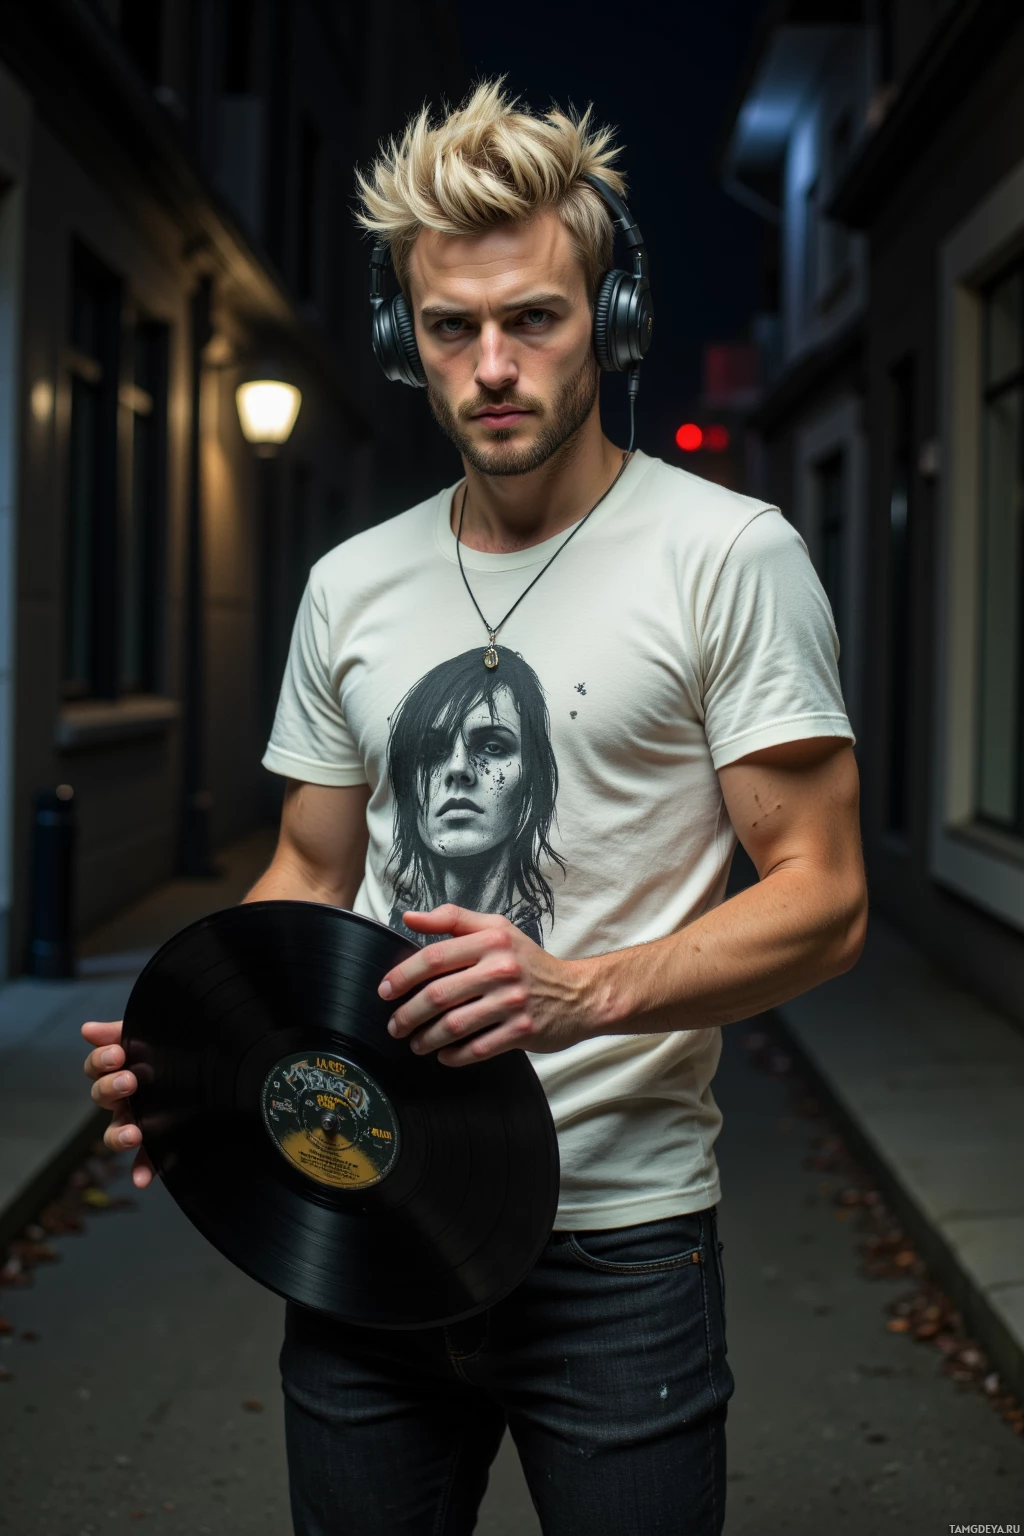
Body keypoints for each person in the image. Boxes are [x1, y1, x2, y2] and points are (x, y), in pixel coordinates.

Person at [84, 81, 867, 1536]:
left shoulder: (728, 557)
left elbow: (825, 894)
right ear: (405, 340)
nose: (493, 365)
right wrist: (194, 1044)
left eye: (537, 320)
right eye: (453, 328)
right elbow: (310, 871)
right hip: (366, 1214)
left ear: (607, 322)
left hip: (619, 1250)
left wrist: (583, 991)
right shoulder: (350, 584)